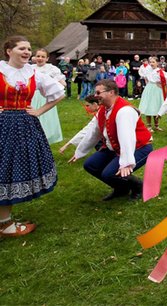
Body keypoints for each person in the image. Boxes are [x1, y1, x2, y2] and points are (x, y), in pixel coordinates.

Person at [0, 35, 65, 237]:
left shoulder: (34, 73)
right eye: (21, 48)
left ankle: (4, 220)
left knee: (11, 167)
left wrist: (39, 111)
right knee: (4, 168)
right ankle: (5, 225)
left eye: (29, 48)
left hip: (25, 125)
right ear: (9, 51)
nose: (27, 52)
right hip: (4, 124)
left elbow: (59, 93)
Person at [68, 79, 153, 201]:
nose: (95, 96)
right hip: (116, 147)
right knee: (90, 165)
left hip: (140, 147)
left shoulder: (125, 111)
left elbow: (127, 138)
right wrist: (80, 152)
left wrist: (126, 163)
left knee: (109, 174)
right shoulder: (104, 109)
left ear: (111, 92)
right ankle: (122, 189)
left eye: (98, 93)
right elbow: (93, 131)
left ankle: (138, 186)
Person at [31, 48, 65, 144]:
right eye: (38, 56)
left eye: (43, 56)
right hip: (32, 96)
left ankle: (43, 139)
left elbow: (63, 84)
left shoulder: (52, 69)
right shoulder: (30, 68)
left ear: (47, 58)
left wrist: (51, 84)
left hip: (45, 97)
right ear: (35, 57)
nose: (40, 58)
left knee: (45, 119)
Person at [138, 57, 165, 132]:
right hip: (150, 88)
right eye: (151, 62)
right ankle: (149, 126)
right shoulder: (148, 70)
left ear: (157, 63)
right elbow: (143, 74)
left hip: (157, 89)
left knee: (156, 106)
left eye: (153, 62)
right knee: (149, 106)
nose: (151, 63)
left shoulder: (160, 71)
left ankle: (157, 125)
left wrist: (161, 83)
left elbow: (166, 79)